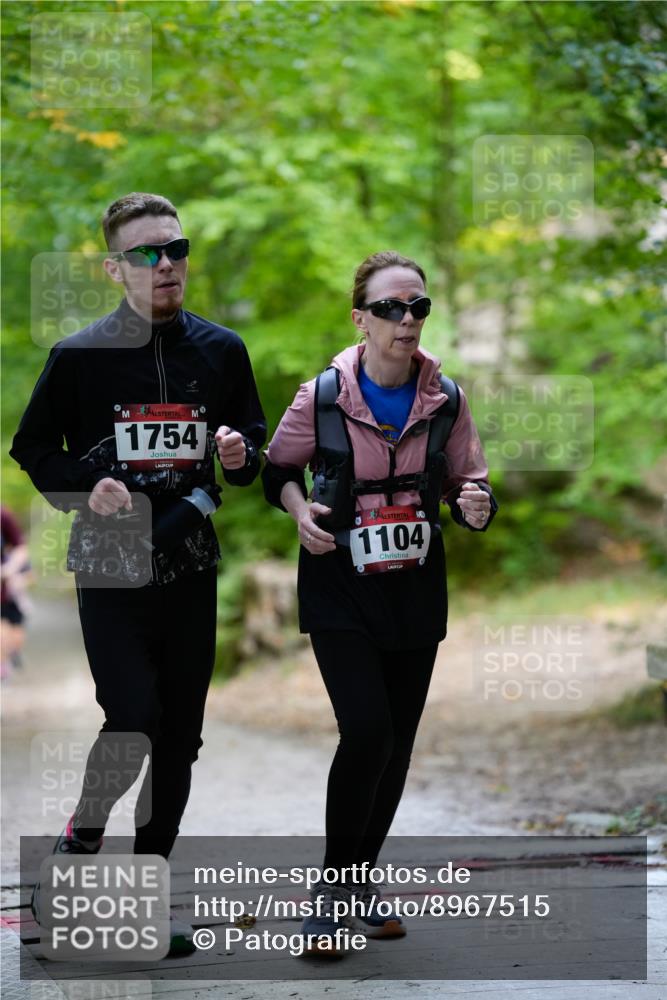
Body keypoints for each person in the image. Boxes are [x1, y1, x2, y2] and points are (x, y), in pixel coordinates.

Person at [11, 192, 266, 954]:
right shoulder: (79, 356)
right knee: (131, 715)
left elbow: (249, 443)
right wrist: (86, 489)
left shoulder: (221, 350)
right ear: (114, 267)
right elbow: (33, 448)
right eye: (148, 254)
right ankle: (82, 839)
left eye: (176, 249)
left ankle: (146, 891)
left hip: (188, 562)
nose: (167, 265)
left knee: (179, 738)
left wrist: (237, 455)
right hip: (112, 562)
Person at [262, 250, 498, 955]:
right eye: (392, 307)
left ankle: (359, 885)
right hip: (339, 580)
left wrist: (476, 506)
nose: (407, 320)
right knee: (365, 729)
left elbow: (468, 487)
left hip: (414, 581)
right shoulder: (323, 397)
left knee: (395, 741)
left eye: (418, 306)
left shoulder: (445, 399)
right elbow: (276, 471)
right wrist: (301, 512)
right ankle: (329, 900)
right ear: (360, 318)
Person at [1, 506, 31, 679]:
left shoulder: (2, 515)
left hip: (8, 596)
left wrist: (9, 571)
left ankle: (9, 660)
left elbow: (21, 549)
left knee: (13, 631)